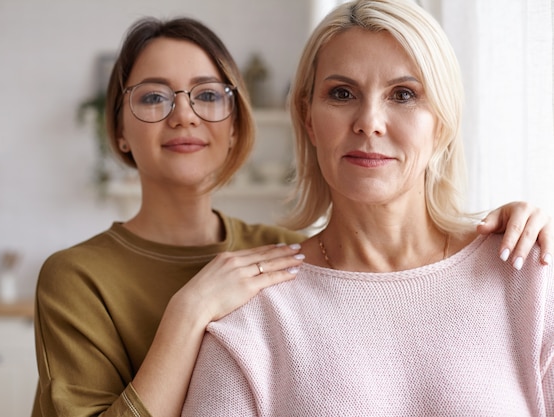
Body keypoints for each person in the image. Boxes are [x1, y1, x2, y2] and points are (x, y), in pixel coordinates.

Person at [32, 14, 553, 417]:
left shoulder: (268, 256)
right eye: (152, 97)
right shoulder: (246, 300)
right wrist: (189, 312)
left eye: (208, 96)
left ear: (236, 124)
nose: (184, 114)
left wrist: (512, 230)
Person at [181, 1, 554, 416]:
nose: (369, 121)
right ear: (308, 119)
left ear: (442, 123)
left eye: (404, 95)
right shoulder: (252, 314)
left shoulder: (527, 277)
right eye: (342, 94)